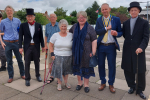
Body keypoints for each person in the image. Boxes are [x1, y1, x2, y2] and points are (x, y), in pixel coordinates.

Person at [121, 2, 149, 99]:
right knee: (128, 70)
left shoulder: (144, 23)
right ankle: (132, 86)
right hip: (127, 50)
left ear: (139, 11)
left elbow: (146, 37)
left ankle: (140, 89)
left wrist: (141, 47)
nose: (133, 11)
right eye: (132, 10)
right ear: (129, 11)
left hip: (139, 50)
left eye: (135, 10)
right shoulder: (125, 23)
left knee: (140, 70)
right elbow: (125, 35)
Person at [95, 3, 122, 93]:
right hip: (101, 46)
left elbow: (121, 32)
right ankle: (103, 82)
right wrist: (106, 28)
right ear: (101, 10)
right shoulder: (99, 20)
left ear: (109, 9)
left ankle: (111, 84)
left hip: (111, 46)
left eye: (106, 9)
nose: (104, 11)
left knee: (112, 66)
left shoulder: (116, 19)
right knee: (101, 65)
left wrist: (117, 34)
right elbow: (96, 31)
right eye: (103, 9)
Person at [69, 11, 97, 93]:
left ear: (86, 18)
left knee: (86, 68)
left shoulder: (90, 28)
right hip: (76, 52)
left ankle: (86, 85)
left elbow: (94, 40)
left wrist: (93, 51)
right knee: (77, 67)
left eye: (83, 17)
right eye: (79, 17)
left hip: (86, 52)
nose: (81, 19)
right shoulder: (74, 27)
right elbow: (68, 35)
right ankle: (79, 83)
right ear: (77, 19)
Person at [19, 8, 45, 86]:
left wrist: (43, 46)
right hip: (27, 47)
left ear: (34, 17)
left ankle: (38, 75)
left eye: (31, 16)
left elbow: (41, 37)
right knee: (27, 63)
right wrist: (20, 47)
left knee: (37, 62)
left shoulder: (38, 25)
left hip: (36, 47)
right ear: (26, 17)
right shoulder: (23, 25)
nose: (30, 18)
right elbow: (20, 37)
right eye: (28, 16)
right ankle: (27, 78)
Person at [0, 5, 25, 83]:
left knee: (20, 60)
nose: (9, 12)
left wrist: (21, 43)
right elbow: (0, 32)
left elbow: (20, 32)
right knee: (9, 61)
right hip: (7, 43)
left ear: (13, 11)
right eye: (7, 11)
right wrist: (1, 42)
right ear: (5, 12)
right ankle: (11, 76)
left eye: (10, 10)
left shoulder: (18, 21)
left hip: (17, 42)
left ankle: (23, 73)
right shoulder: (3, 22)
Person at [49, 19, 72, 91]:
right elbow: (50, 45)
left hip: (68, 55)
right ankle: (59, 83)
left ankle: (66, 82)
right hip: (58, 55)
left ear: (67, 27)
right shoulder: (55, 35)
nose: (63, 28)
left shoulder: (71, 35)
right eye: (62, 26)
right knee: (59, 70)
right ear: (59, 27)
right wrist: (52, 54)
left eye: (65, 26)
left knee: (66, 70)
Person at [44, 13, 60, 84]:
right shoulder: (47, 26)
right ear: (49, 18)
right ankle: (51, 76)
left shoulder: (59, 25)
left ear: (56, 18)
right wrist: (45, 45)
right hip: (49, 44)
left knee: (58, 62)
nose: (52, 18)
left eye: (54, 17)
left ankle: (58, 77)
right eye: (51, 17)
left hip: (57, 45)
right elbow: (46, 36)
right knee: (50, 62)